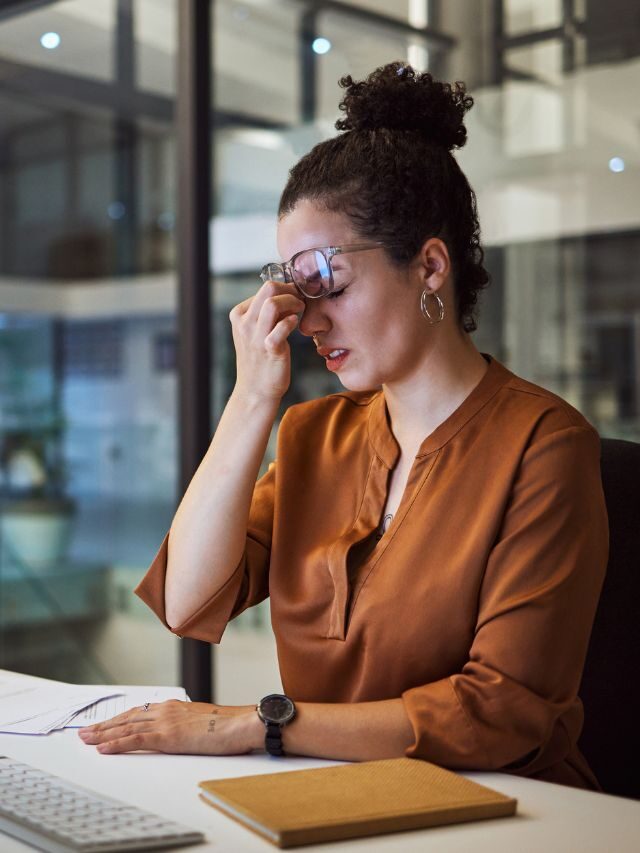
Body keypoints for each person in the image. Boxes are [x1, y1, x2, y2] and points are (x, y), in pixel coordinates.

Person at [78, 63, 608, 790]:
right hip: (330, 796)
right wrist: (249, 402)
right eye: (295, 289)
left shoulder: (545, 445)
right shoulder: (310, 436)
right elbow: (188, 602)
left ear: (429, 265)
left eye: (327, 280)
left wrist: (254, 723)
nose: (310, 318)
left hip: (508, 809)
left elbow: (497, 713)